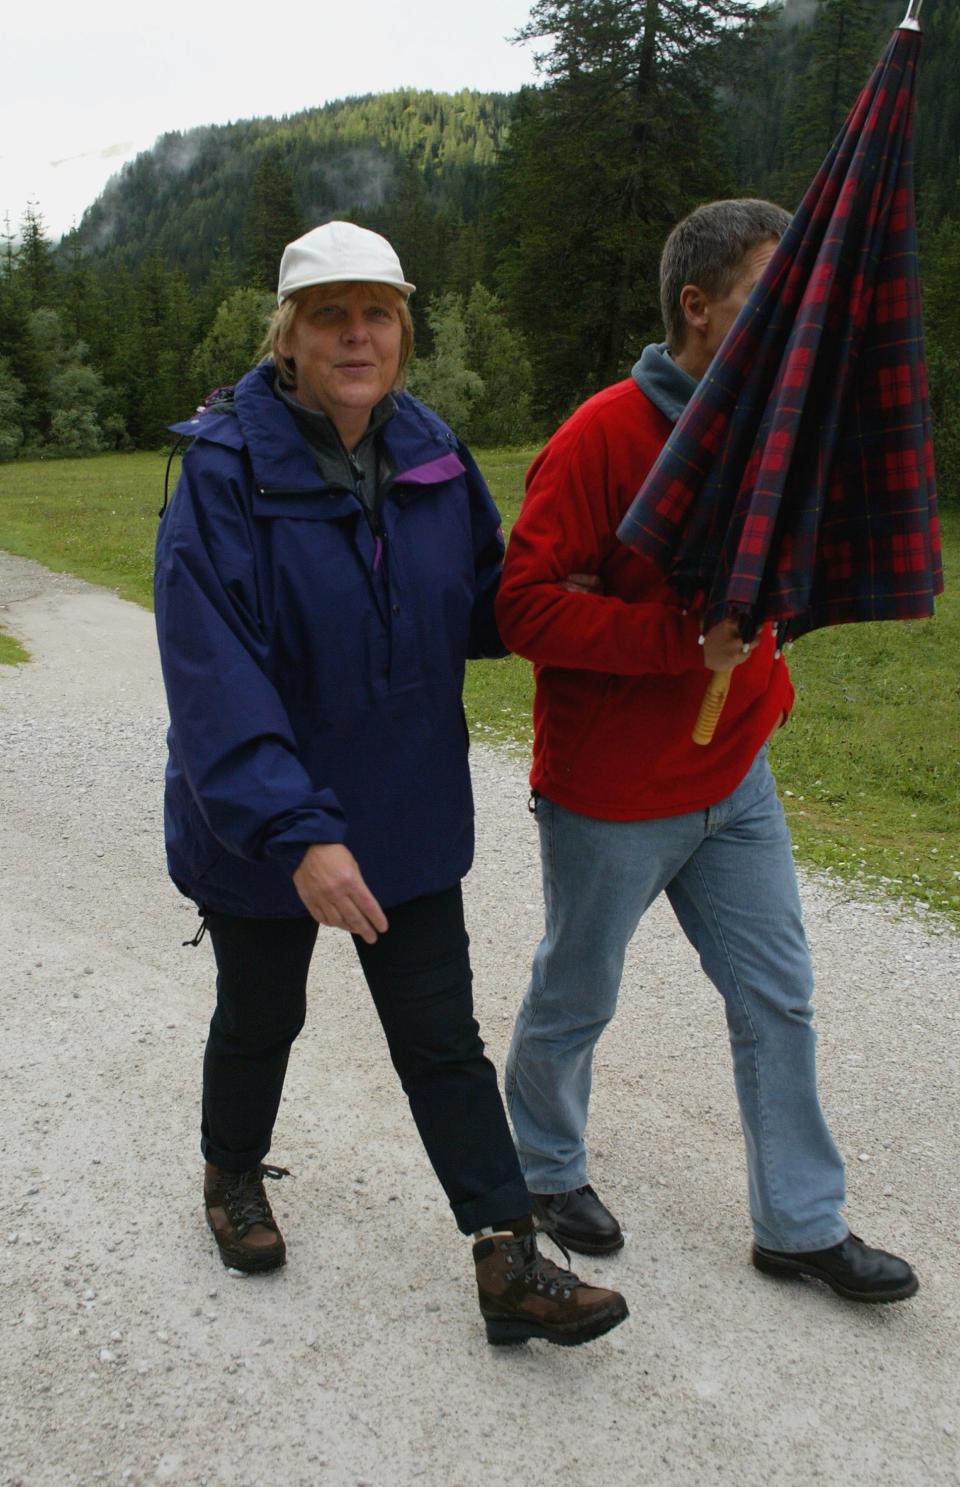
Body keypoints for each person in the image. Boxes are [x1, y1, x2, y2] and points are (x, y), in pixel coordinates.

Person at [153, 220, 627, 1348]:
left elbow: (477, 604)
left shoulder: (430, 449)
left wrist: (601, 584)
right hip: (265, 828)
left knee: (438, 1033)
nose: (356, 334)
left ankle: (507, 1252)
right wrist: (298, 832)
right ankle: (231, 1173)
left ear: (402, 330)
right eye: (331, 314)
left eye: (377, 312)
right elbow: (217, 679)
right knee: (264, 1011)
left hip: (404, 806)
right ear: (290, 333)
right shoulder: (223, 470)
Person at [495, 199, 918, 1304]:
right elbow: (525, 609)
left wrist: (765, 672)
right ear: (697, 306)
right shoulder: (599, 435)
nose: (793, 324)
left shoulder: (780, 430)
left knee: (777, 995)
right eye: (767, 300)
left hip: (735, 776)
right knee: (577, 993)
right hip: (612, 794)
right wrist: (675, 640)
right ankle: (542, 1168)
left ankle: (800, 1222)